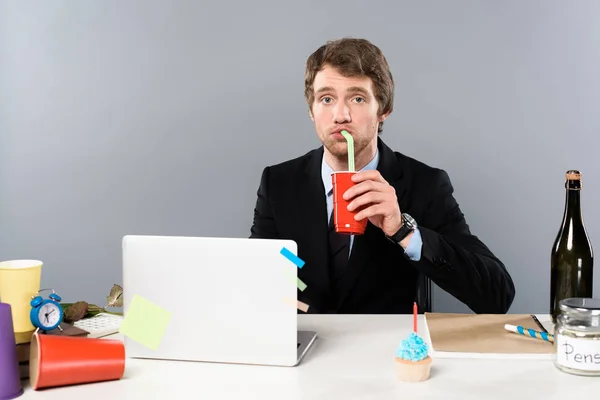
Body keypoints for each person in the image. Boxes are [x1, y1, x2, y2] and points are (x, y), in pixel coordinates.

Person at [250, 37, 515, 314]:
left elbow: (496, 296)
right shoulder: (279, 183)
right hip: (306, 349)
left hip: (392, 353)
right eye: (326, 99)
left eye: (358, 98)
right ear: (311, 110)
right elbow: (254, 277)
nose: (340, 115)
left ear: (383, 109)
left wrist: (403, 230)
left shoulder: (425, 184)